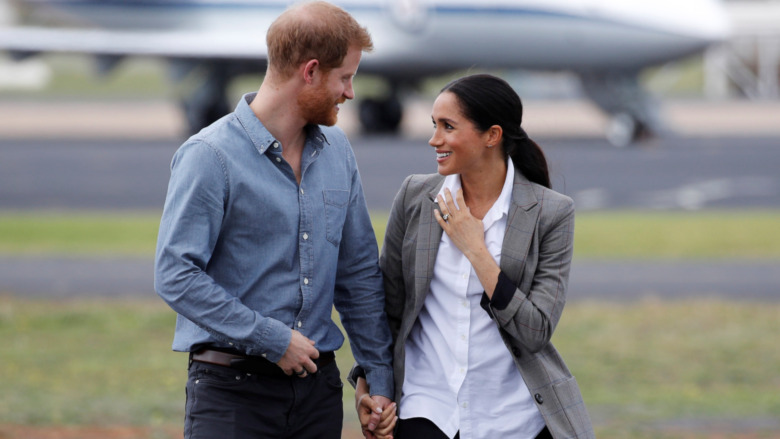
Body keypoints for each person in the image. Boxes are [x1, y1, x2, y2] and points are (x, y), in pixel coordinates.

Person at [154, 2, 394, 438]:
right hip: (231, 394)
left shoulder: (338, 151)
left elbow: (357, 275)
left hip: (318, 394)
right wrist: (271, 338)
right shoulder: (209, 156)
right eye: (345, 78)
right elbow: (175, 274)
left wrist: (377, 379)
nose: (351, 93)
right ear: (311, 71)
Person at [353, 74, 595, 439]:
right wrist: (369, 381)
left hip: (514, 420)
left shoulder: (552, 213)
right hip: (428, 410)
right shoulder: (415, 196)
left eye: (448, 127)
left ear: (492, 136)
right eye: (434, 125)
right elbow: (388, 307)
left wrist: (476, 250)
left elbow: (536, 331)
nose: (434, 139)